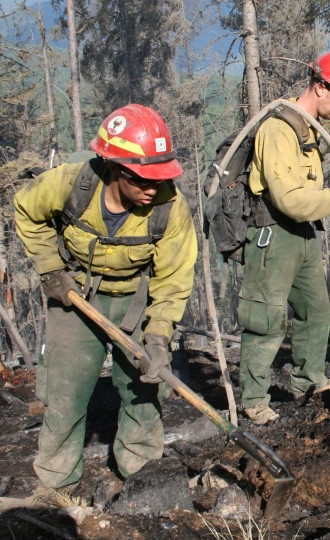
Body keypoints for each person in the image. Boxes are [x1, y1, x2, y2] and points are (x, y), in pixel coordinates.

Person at [14, 104, 197, 493]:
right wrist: (51, 271)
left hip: (137, 299)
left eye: (159, 179)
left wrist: (159, 336)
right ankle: (55, 484)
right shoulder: (71, 183)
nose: (153, 189)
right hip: (76, 294)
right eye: (144, 180)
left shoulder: (169, 206)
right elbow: (26, 210)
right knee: (65, 390)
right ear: (116, 169)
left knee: (144, 389)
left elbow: (174, 277)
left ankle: (144, 476)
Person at [238, 49, 330, 425]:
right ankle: (253, 399)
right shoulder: (278, 129)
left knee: (315, 312)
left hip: (301, 235)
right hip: (273, 233)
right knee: (265, 318)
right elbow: (290, 200)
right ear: (319, 87)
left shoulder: (308, 131)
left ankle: (307, 381)